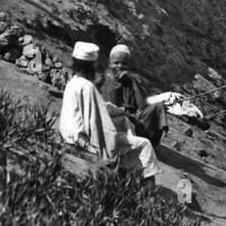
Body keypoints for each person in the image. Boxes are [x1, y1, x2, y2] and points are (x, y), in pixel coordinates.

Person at [59, 42, 159, 182]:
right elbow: (87, 126)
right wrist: (95, 147)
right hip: (84, 142)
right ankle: (144, 188)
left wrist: (121, 112)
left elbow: (101, 107)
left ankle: (127, 172)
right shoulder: (87, 87)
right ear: (91, 66)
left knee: (122, 123)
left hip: (72, 136)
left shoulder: (74, 82)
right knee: (144, 144)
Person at [98, 43, 167, 148]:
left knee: (157, 106)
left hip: (131, 119)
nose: (120, 66)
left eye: (124, 64)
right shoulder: (105, 79)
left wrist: (132, 83)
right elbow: (110, 107)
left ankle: (152, 145)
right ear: (109, 63)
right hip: (115, 120)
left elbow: (142, 106)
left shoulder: (129, 80)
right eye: (116, 63)